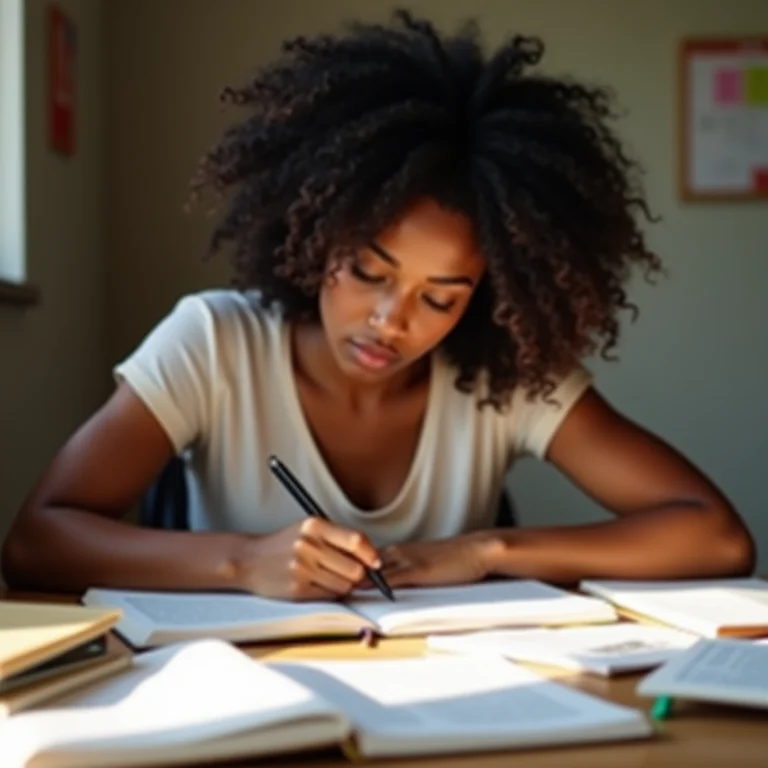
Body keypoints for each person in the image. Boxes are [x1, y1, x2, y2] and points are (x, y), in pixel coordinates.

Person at [1, 11, 755, 600]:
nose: (391, 320)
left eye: (441, 297)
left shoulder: (504, 377)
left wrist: (485, 550)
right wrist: (242, 562)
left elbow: (716, 537)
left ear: (490, 296)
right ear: (317, 232)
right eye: (368, 271)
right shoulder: (213, 343)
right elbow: (36, 541)